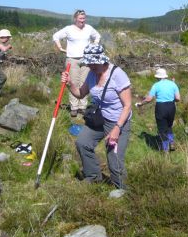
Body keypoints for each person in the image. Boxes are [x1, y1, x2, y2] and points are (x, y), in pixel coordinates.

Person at [61, 44, 131, 189]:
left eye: (92, 62)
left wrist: (117, 129)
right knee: (83, 143)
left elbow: (127, 105)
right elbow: (80, 94)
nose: (90, 65)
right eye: (88, 62)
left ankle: (123, 190)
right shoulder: (91, 73)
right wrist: (70, 83)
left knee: (114, 160)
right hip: (99, 118)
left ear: (101, 60)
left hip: (118, 121)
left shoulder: (118, 75)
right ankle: (93, 177)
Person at [53, 10, 101, 117]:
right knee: (73, 82)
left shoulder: (89, 28)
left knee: (85, 83)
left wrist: (94, 46)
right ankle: (74, 107)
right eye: (80, 19)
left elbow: (97, 36)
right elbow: (56, 36)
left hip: (86, 59)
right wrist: (60, 48)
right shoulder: (69, 29)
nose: (82, 21)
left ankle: (82, 107)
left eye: (84, 19)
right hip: (72, 59)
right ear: (75, 19)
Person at [136, 68, 180, 152]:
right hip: (171, 107)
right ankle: (171, 142)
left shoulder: (156, 85)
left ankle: (165, 150)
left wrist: (141, 103)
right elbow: (178, 98)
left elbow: (149, 99)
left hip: (161, 107)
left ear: (158, 77)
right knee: (169, 125)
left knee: (162, 128)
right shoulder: (173, 84)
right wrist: (171, 101)